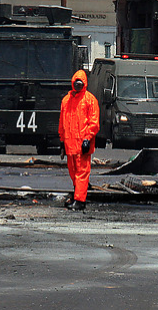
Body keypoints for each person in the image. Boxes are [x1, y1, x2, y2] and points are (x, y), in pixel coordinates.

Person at [59, 70, 99, 211]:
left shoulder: (90, 100)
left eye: (80, 83)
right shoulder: (66, 100)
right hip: (70, 144)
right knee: (73, 172)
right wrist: (62, 141)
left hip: (82, 144)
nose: (77, 85)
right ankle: (77, 196)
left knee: (81, 173)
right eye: (76, 83)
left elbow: (94, 123)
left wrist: (87, 139)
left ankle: (80, 201)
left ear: (84, 84)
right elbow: (62, 123)